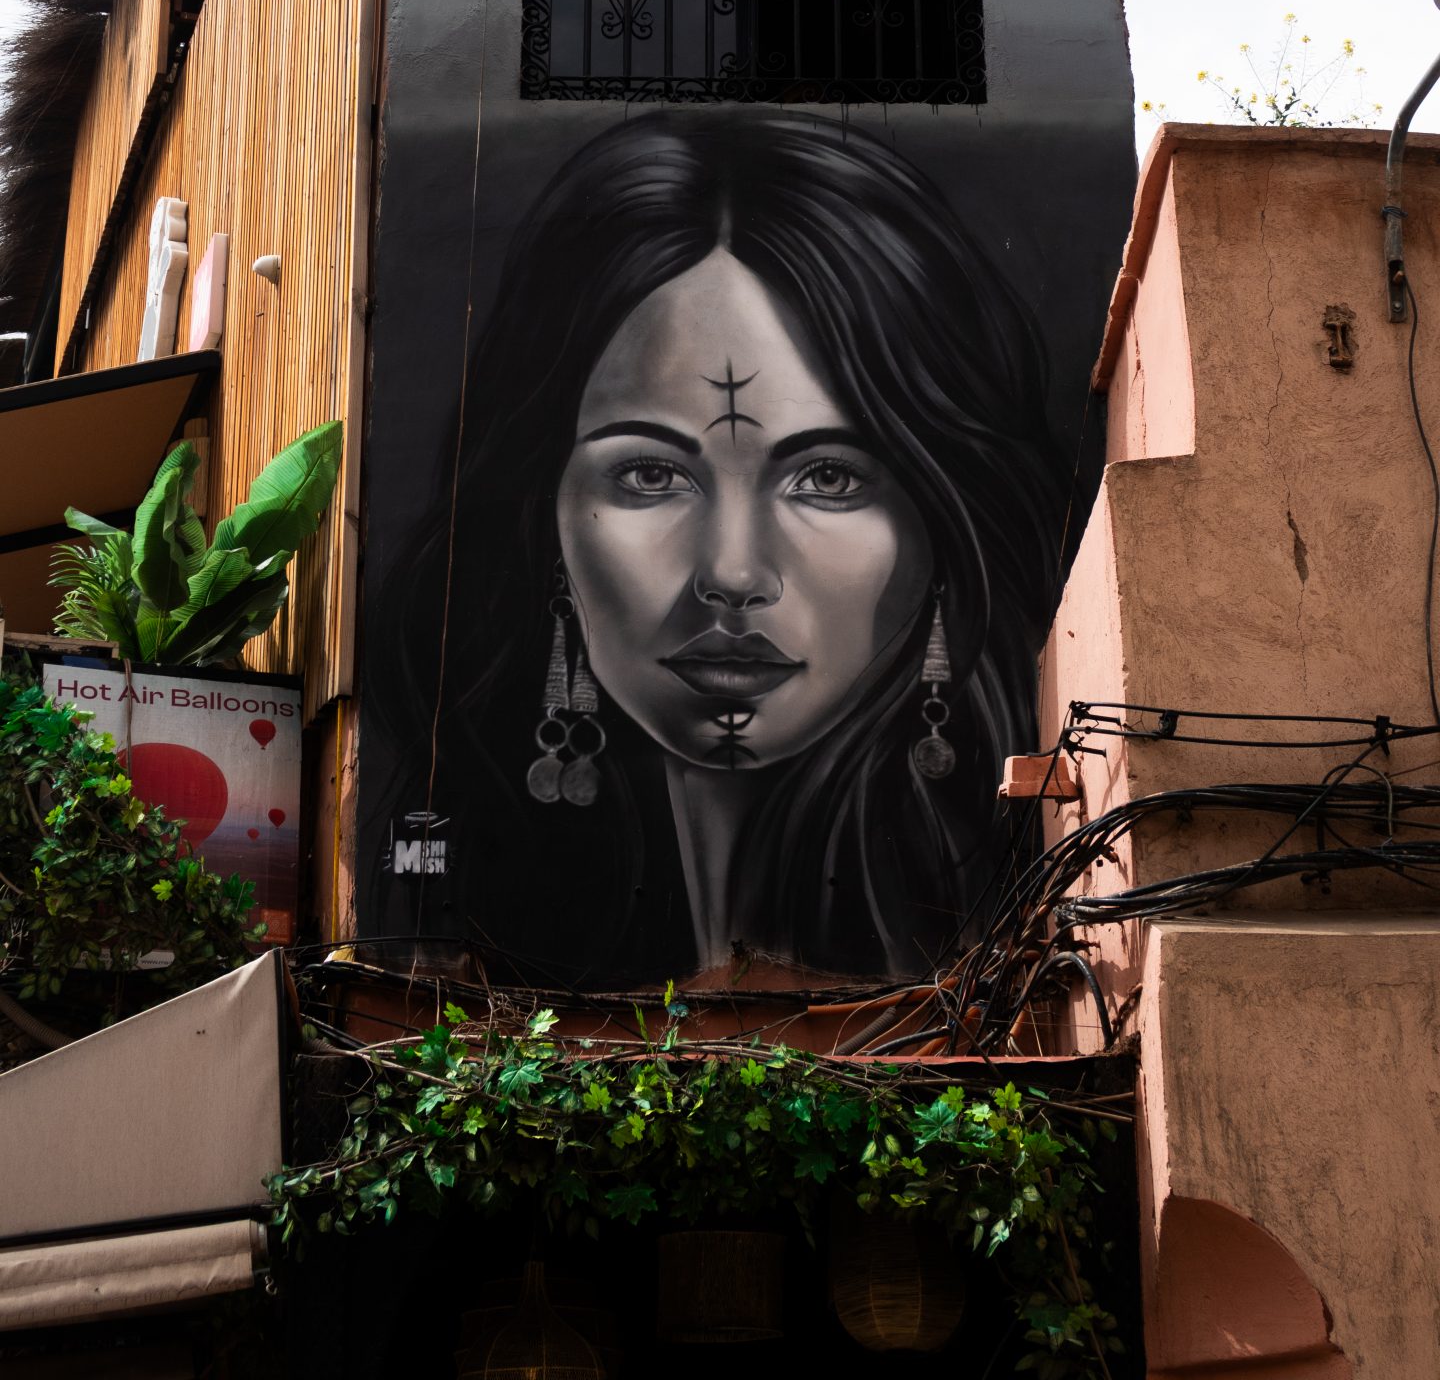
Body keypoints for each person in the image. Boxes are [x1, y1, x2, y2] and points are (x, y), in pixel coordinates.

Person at [371, 110, 1065, 986]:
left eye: (831, 479)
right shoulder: (464, 937)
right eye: (651, 478)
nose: (733, 575)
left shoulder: (1027, 924)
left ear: (940, 525)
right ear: (544, 515)